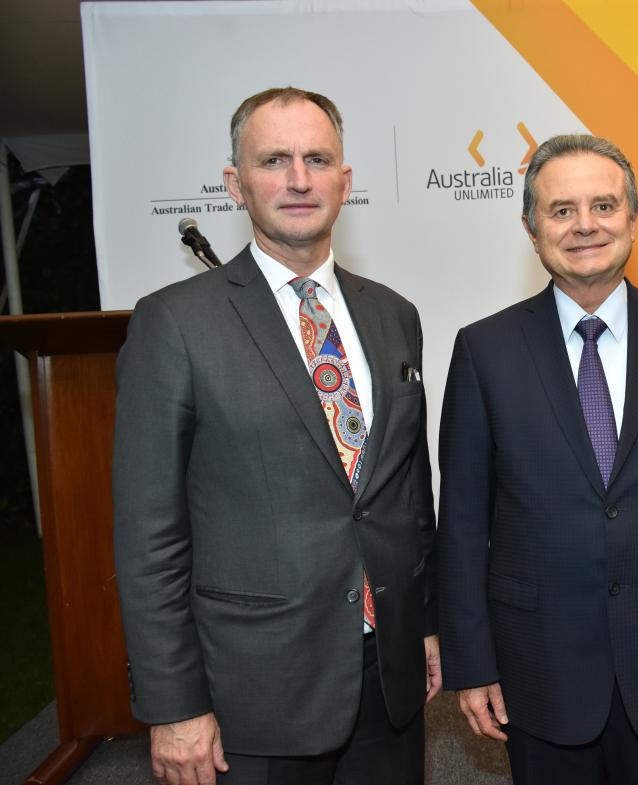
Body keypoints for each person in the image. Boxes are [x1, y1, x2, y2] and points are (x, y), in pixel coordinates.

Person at [113, 87, 440, 785]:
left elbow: (409, 494)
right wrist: (174, 704)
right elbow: (149, 536)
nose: (298, 178)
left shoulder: (395, 316)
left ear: (344, 181)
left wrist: (427, 622)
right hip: (252, 697)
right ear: (235, 183)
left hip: (389, 679)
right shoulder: (174, 324)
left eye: (317, 158)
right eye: (274, 160)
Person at [437, 134, 638, 785]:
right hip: (537, 668)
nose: (585, 224)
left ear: (633, 218)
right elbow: (462, 524)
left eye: (603, 205)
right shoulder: (485, 352)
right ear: (532, 230)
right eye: (561, 210)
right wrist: (471, 661)